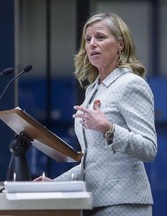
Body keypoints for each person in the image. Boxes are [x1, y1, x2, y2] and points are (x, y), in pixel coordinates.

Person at [34, 12, 157, 216]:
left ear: (121, 44)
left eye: (100, 37)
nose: (92, 44)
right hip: (92, 203)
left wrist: (109, 129)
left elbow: (149, 148)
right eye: (88, 39)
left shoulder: (131, 84)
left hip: (124, 204)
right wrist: (56, 184)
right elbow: (93, 161)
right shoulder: (93, 89)